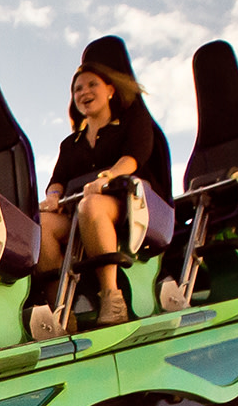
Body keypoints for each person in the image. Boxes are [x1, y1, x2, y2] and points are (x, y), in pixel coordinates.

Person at [38, 37, 173, 328]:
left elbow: (132, 160)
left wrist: (107, 178)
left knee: (92, 205)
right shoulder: (70, 143)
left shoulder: (133, 124)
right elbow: (57, 181)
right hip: (78, 211)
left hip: (128, 205)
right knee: (43, 222)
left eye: (91, 85)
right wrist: (53, 196)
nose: (84, 92)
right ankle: (60, 308)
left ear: (110, 90)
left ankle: (112, 297)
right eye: (77, 89)